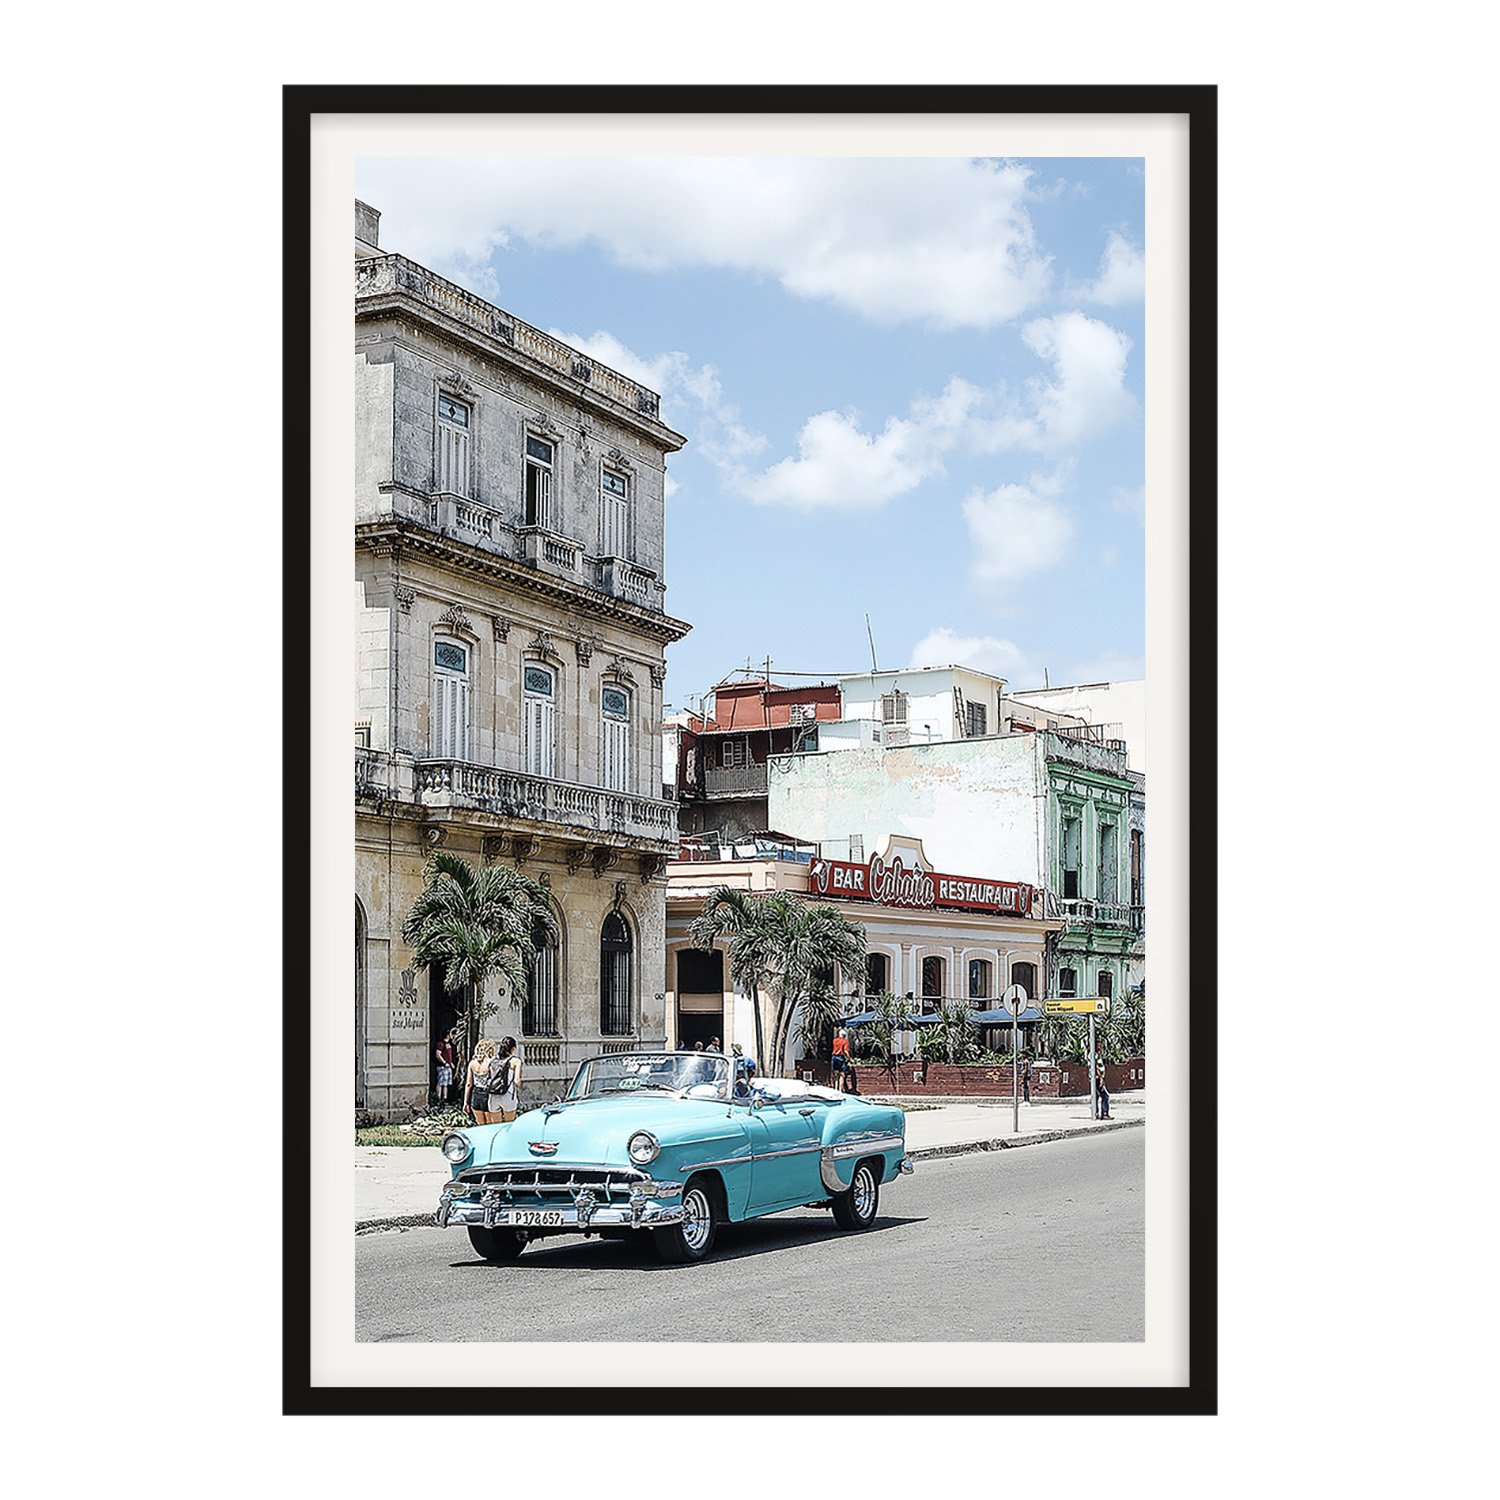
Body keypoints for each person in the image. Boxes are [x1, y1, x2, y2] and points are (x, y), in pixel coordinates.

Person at [488, 1035, 522, 1123]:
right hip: (508, 1095)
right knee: (509, 1125)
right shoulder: (515, 1061)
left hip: (493, 1095)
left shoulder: (493, 1060)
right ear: (513, 1048)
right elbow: (517, 1081)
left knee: (496, 1127)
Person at [465, 1037, 498, 1124]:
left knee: (480, 1125)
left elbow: (469, 1084)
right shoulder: (492, 1062)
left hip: (475, 1094)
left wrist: (466, 1102)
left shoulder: (472, 1063)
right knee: (490, 1124)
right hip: (487, 1094)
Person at [434, 1029, 456, 1105]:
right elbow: (438, 1054)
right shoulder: (441, 1044)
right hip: (443, 1067)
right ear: (447, 1035)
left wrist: (450, 1063)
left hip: (448, 1066)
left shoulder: (448, 1044)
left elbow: (448, 1055)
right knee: (441, 1083)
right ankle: (439, 1098)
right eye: (450, 1034)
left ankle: (445, 1098)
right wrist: (444, 1062)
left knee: (446, 1084)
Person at [831, 1027, 851, 1092]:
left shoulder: (834, 1040)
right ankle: (840, 1090)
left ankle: (835, 1088)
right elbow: (845, 1051)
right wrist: (849, 1058)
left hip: (834, 1057)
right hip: (841, 1057)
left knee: (836, 1074)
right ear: (844, 1035)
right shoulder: (845, 1041)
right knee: (842, 1075)